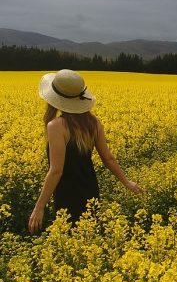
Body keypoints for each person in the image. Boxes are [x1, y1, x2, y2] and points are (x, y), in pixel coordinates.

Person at [28, 69, 143, 234]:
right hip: (90, 189)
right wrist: (127, 182)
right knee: (88, 237)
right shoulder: (93, 123)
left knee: (69, 237)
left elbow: (56, 171)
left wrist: (38, 208)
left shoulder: (56, 126)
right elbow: (108, 158)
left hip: (67, 192)